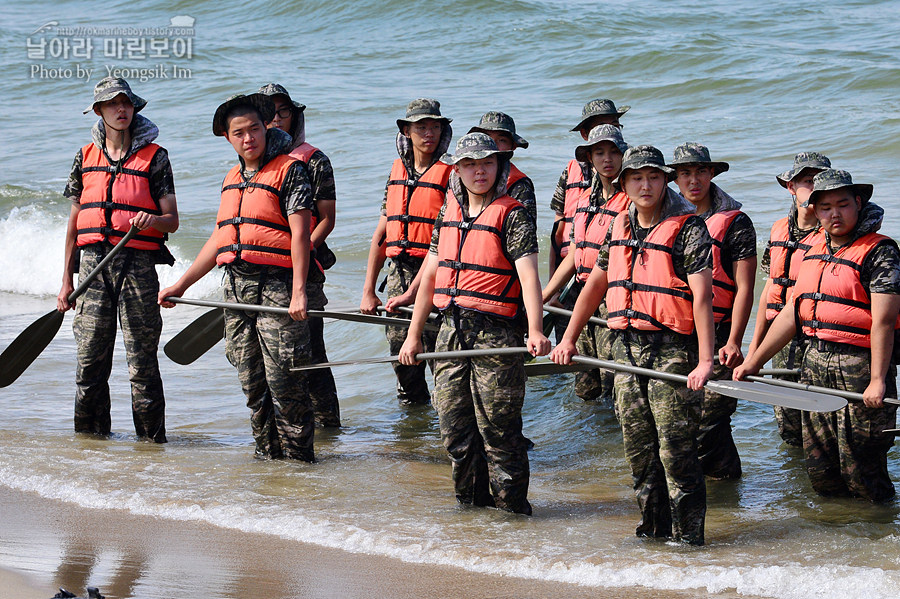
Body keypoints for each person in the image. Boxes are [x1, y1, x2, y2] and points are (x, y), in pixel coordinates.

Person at [550, 145, 714, 545]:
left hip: (672, 350)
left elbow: (703, 298)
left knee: (676, 451)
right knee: (640, 451)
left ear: (665, 181)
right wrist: (569, 337)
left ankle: (688, 540)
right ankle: (654, 534)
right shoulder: (619, 226)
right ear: (624, 183)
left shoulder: (688, 228)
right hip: (623, 348)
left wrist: (705, 361)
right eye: (637, 178)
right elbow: (594, 285)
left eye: (654, 177)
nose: (646, 185)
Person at [398, 133, 550, 514]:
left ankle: (512, 516)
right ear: (458, 169)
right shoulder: (447, 214)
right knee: (454, 431)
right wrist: (414, 335)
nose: (478, 171)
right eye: (469, 164)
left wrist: (535, 329)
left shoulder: (512, 213)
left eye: (486, 163)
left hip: (495, 334)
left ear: (498, 165)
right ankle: (471, 515)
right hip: (449, 332)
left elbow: (529, 277)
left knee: (499, 433)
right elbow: (430, 276)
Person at [159, 93, 316, 461]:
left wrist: (299, 293)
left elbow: (300, 236)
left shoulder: (290, 170)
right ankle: (268, 464)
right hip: (235, 290)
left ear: (266, 128)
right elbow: (220, 239)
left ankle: (301, 472)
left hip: (277, 288)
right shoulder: (232, 178)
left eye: (255, 130)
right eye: (239, 133)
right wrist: (181, 285)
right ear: (228, 138)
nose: (249, 139)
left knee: (286, 384)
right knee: (253, 386)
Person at [735, 169, 899, 502]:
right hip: (814, 362)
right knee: (821, 470)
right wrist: (753, 362)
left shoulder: (881, 252)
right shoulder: (810, 249)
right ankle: (830, 544)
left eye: (842, 205)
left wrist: (878, 380)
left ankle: (878, 539)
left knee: (862, 470)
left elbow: (884, 320)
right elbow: (792, 312)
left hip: (859, 366)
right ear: (815, 210)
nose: (834, 214)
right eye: (825, 207)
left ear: (858, 203)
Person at [58, 77, 179, 443]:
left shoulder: (156, 157)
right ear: (99, 111)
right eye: (113, 104)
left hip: (138, 266)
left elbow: (171, 219)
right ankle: (91, 450)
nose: (121, 110)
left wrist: (151, 220)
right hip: (93, 267)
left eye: (126, 103)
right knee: (89, 365)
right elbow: (75, 225)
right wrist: (66, 280)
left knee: (142, 366)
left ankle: (150, 448)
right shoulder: (84, 156)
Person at [669, 143, 756, 480]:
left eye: (700, 171)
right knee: (683, 421)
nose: (694, 180)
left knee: (712, 417)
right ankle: (722, 489)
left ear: (712, 174)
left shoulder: (736, 222)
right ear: (675, 178)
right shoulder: (666, 217)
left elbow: (745, 288)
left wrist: (735, 340)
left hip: (719, 331)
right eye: (685, 173)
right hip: (676, 333)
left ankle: (721, 492)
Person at [359, 99, 453, 405]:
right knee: (404, 365)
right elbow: (382, 232)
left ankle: (447, 431)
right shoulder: (397, 170)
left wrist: (415, 291)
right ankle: (411, 440)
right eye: (421, 127)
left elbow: (447, 244)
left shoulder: (452, 173)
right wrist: (369, 290)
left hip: (439, 277)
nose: (429, 133)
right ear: (406, 131)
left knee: (444, 364)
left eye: (435, 127)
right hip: (398, 274)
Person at [258, 82, 340, 428]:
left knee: (311, 355)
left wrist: (298, 260)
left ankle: (329, 428)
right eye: (269, 113)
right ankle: (278, 428)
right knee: (267, 363)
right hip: (259, 275)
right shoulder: (251, 163)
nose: (276, 119)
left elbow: (328, 220)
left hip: (303, 271)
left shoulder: (314, 160)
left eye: (283, 112)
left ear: (294, 116)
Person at [747, 152, 830, 447]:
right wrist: (755, 351)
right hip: (779, 340)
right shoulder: (779, 229)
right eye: (808, 181)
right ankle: (793, 492)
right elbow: (769, 290)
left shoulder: (833, 235)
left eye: (820, 182)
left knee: (819, 431)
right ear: (790, 187)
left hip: (815, 341)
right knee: (789, 430)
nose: (814, 188)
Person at [542, 124, 629, 403]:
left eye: (614, 152)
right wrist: (542, 298)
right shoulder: (582, 201)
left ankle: (612, 442)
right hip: (580, 296)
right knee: (585, 386)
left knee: (613, 383)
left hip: (613, 301)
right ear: (589, 158)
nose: (607, 159)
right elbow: (575, 255)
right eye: (599, 153)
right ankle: (590, 443)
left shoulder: (632, 201)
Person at [547, 99, 629, 343]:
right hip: (574, 282)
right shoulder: (581, 190)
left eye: (614, 124)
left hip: (613, 293)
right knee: (575, 361)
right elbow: (559, 235)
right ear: (585, 137)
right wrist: (551, 291)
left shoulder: (636, 190)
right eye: (599, 126)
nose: (607, 158)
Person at [468, 111, 536, 223]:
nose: (492, 145)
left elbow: (526, 232)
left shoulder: (520, 186)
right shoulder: (463, 177)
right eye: (487, 138)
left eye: (501, 140)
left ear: (513, 146)